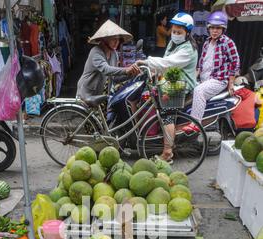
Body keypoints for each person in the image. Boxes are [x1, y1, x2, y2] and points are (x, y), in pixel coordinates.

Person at [137, 12, 198, 161]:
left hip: (180, 85)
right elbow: (165, 61)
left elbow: (169, 62)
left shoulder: (188, 49)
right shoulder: (173, 43)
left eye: (179, 32)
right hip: (169, 80)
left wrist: (147, 62)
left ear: (187, 32)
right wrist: (152, 71)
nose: (175, 34)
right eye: (174, 31)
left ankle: (167, 151)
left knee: (167, 116)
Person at [184, 11, 240, 133]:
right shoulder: (206, 43)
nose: (215, 31)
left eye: (218, 28)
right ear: (208, 28)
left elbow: (235, 63)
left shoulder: (227, 42)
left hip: (219, 80)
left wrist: (231, 83)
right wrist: (192, 79)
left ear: (223, 29)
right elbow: (201, 64)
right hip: (205, 79)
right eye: (212, 28)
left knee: (199, 91)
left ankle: (195, 123)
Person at [76, 19, 139, 103]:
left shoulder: (114, 54)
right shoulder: (96, 51)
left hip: (102, 95)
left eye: (118, 39)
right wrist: (126, 70)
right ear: (103, 40)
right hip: (88, 94)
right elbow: (106, 69)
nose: (117, 42)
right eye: (113, 39)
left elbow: (115, 78)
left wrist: (131, 74)